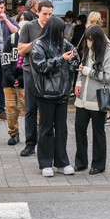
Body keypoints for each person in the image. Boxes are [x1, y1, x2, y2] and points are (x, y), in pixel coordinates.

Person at [31, 16, 77, 177]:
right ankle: (45, 163)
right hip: (45, 93)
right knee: (46, 129)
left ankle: (62, 162)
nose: (62, 33)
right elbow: (41, 66)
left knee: (62, 129)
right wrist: (61, 59)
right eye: (60, 30)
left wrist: (71, 61)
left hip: (62, 91)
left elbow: (75, 57)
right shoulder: (38, 45)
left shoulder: (64, 43)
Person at [74, 24, 110, 174]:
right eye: (87, 40)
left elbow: (109, 76)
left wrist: (89, 71)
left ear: (97, 40)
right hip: (82, 98)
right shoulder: (87, 50)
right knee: (79, 129)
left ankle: (98, 164)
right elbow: (81, 69)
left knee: (98, 132)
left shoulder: (109, 53)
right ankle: (81, 162)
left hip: (99, 98)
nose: (88, 43)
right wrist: (78, 82)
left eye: (90, 40)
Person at [15, 0, 48, 156]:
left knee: (46, 109)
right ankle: (30, 143)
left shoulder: (53, 26)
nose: (47, 17)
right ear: (38, 12)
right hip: (30, 71)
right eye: (44, 14)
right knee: (30, 108)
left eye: (50, 14)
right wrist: (37, 42)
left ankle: (45, 141)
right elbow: (21, 50)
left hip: (48, 71)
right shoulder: (29, 26)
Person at [2, 11, 31, 147]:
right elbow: (5, 60)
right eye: (21, 19)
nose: (23, 21)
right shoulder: (12, 39)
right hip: (9, 81)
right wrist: (11, 77)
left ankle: (32, 134)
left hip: (26, 81)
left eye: (26, 19)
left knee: (29, 108)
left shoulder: (33, 40)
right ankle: (13, 133)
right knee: (11, 109)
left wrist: (20, 78)